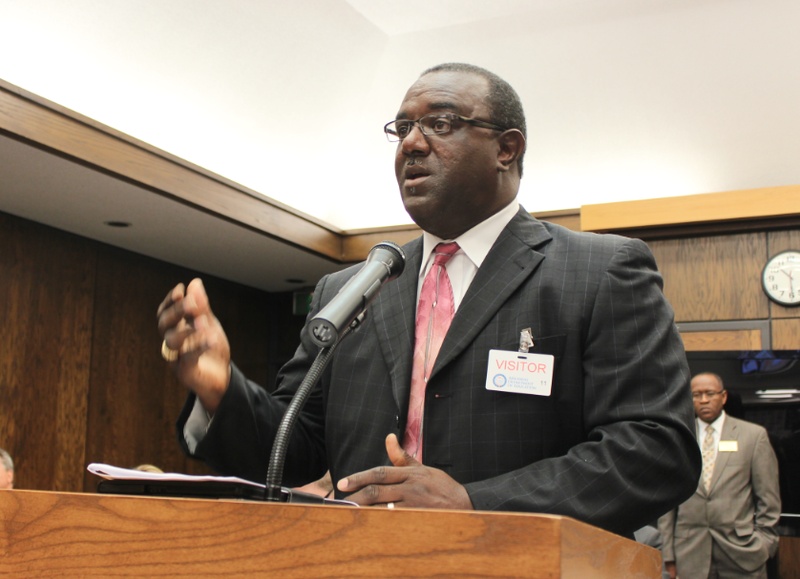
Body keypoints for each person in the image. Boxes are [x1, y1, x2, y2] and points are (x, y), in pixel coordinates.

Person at [158, 62, 700, 537]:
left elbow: (655, 450)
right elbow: (293, 449)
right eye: (402, 129)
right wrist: (221, 390)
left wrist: (474, 503)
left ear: (507, 149)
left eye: (441, 124)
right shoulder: (349, 290)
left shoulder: (600, 270)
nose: (411, 144)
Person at [658, 372, 781, 579]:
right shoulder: (678, 438)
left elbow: (769, 500)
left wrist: (764, 545)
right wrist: (668, 557)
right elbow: (667, 505)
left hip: (743, 555)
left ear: (723, 397)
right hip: (689, 556)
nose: (703, 400)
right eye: (696, 395)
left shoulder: (753, 436)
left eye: (710, 393)